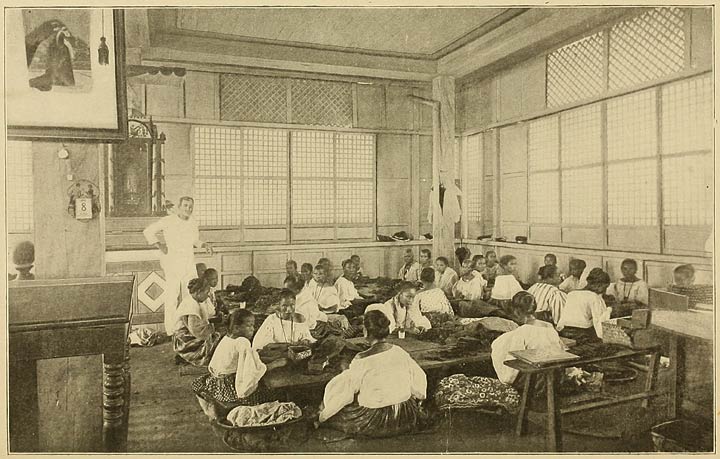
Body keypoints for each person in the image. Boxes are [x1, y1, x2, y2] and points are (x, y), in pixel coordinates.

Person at [316, 310, 427, 437]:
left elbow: (345, 394)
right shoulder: (399, 351)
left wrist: (323, 415)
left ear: (366, 332)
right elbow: (419, 378)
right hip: (405, 413)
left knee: (340, 409)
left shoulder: (361, 359)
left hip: (376, 418)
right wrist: (417, 395)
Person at [192, 310, 284, 420]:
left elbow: (250, 359)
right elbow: (253, 371)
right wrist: (276, 364)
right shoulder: (242, 342)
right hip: (229, 387)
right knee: (271, 394)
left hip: (215, 383)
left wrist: (271, 358)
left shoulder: (227, 338)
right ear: (236, 328)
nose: (252, 329)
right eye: (249, 326)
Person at [144, 196, 213, 335]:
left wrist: (203, 244)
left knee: (195, 294)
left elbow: (194, 240)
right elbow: (148, 231)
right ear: (179, 207)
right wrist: (160, 245)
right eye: (186, 206)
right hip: (172, 262)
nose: (188, 209)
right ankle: (171, 330)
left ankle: (196, 326)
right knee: (172, 297)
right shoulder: (169, 221)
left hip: (188, 261)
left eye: (191, 206)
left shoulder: (193, 222)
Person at [491, 292, 567, 387]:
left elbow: (510, 374)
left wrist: (505, 380)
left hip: (536, 383)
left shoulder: (522, 332)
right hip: (556, 378)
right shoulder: (549, 326)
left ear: (516, 311)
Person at [173, 277, 222, 367]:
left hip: (191, 332)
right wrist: (215, 328)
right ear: (199, 292)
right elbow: (197, 331)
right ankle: (190, 355)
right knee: (217, 336)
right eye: (206, 293)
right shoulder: (191, 306)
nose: (207, 295)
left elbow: (208, 315)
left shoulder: (195, 300)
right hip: (184, 339)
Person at [557, 268, 612, 341]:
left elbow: (563, 319)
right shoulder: (594, 297)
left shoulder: (572, 293)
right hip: (582, 335)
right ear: (599, 285)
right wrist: (609, 310)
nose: (605, 291)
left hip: (564, 331)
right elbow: (599, 322)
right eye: (605, 288)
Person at [365, 281, 431, 334]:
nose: (411, 300)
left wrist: (420, 326)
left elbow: (417, 318)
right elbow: (389, 329)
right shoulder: (389, 306)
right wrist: (407, 330)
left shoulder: (410, 305)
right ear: (399, 294)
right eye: (408, 297)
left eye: (413, 297)